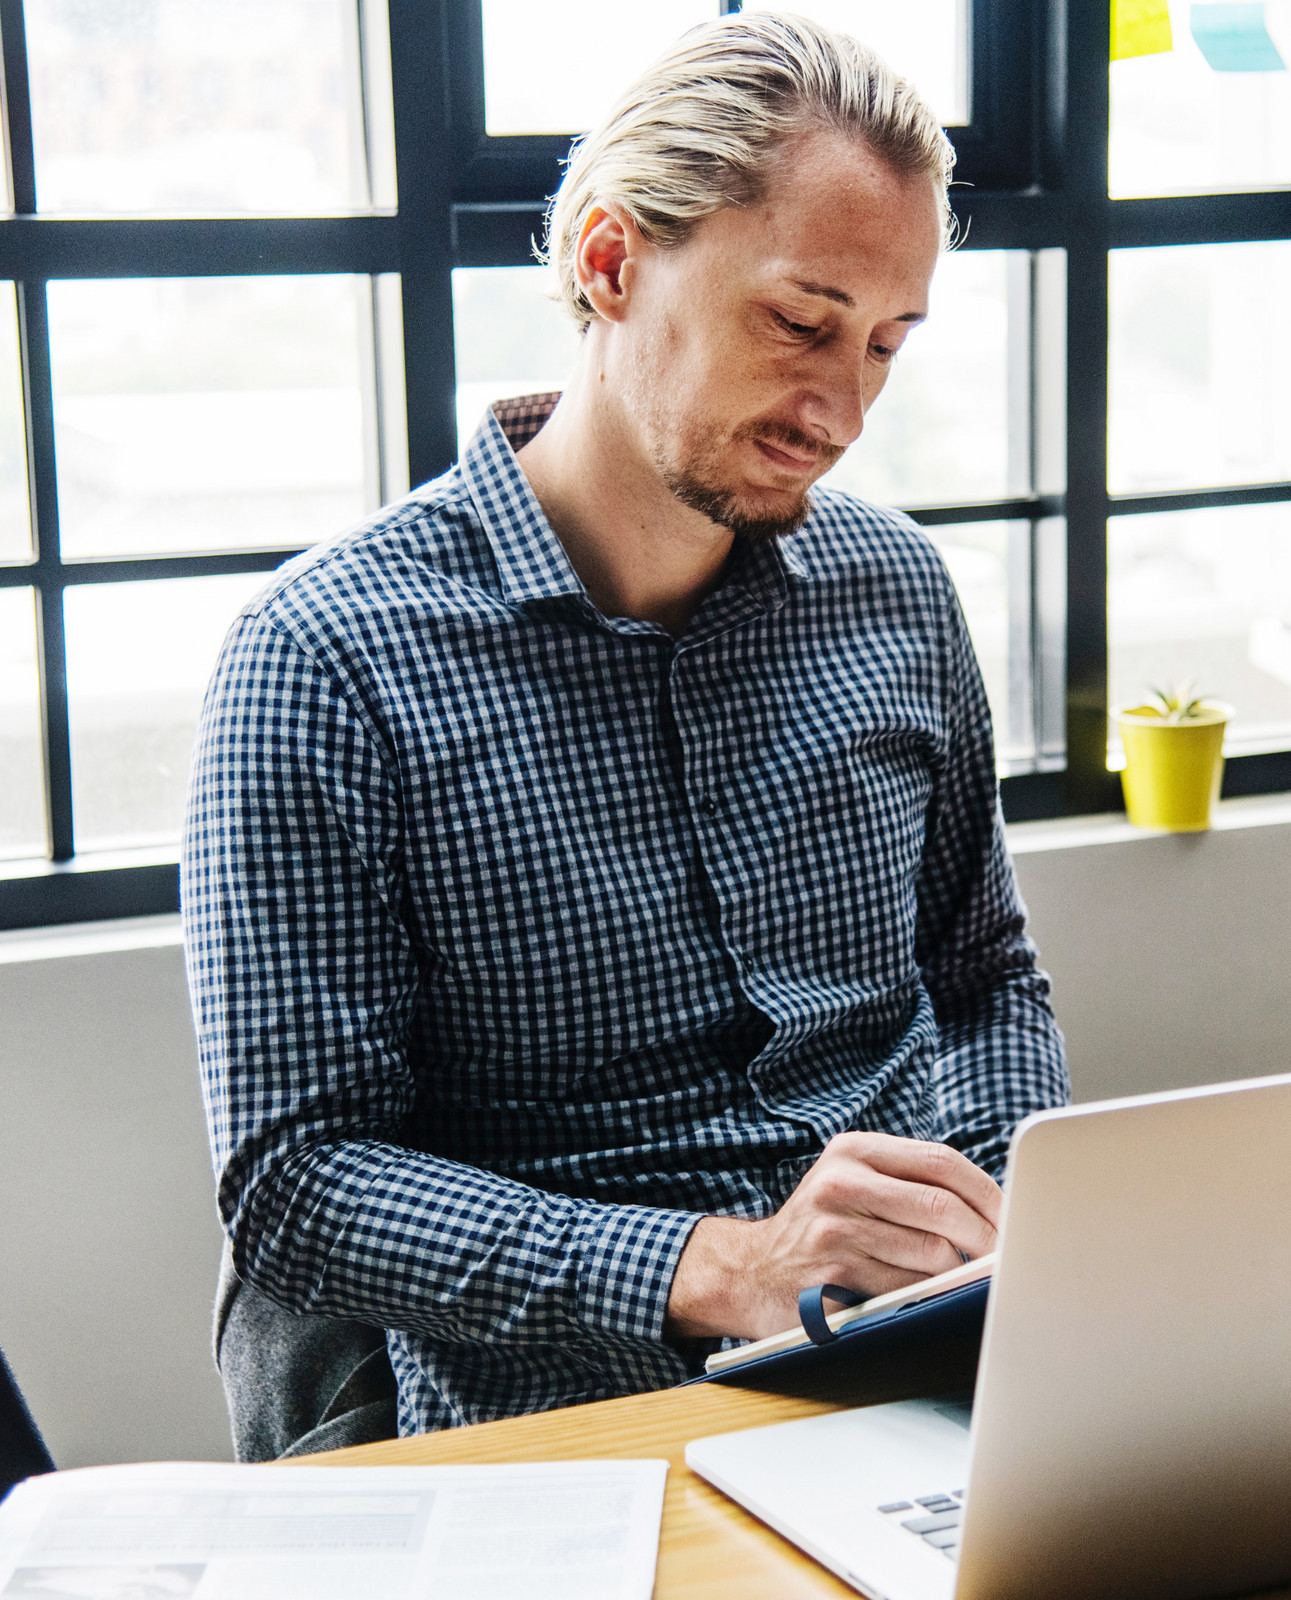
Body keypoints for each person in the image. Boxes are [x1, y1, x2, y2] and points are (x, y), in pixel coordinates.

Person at [184, 11, 1068, 1436]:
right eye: (800, 322)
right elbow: (301, 1181)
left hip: (924, 1383)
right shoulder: (325, 659)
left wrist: (998, 1217)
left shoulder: (897, 592)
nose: (843, 409)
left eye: (889, 345)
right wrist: (727, 1269)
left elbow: (978, 976)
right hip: (567, 1421)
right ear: (609, 261)